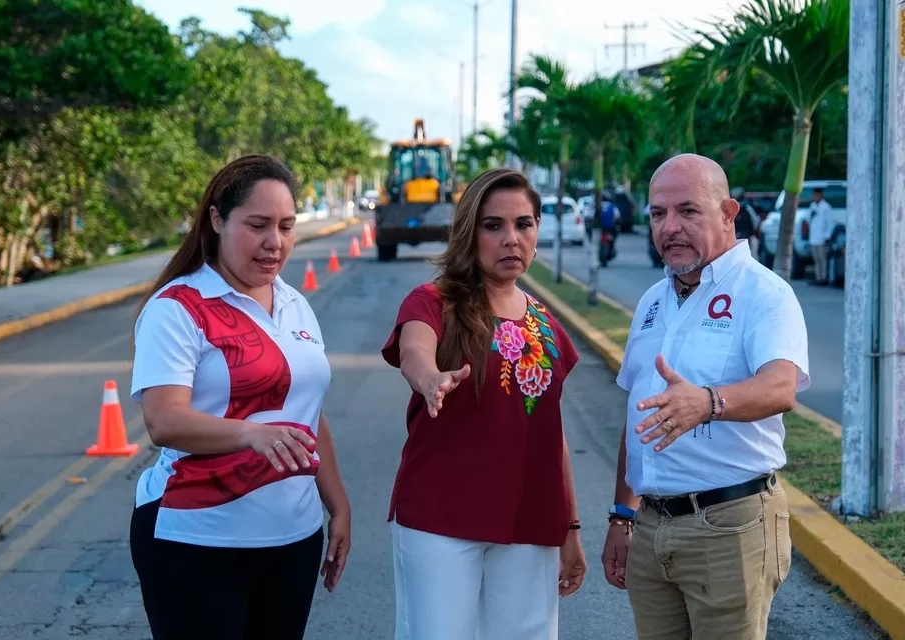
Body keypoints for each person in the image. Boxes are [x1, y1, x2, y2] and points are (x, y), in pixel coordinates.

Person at [127, 154, 351, 640]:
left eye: (286, 227)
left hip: (294, 538)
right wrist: (251, 433)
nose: (275, 242)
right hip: (196, 537)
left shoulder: (295, 303)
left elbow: (309, 414)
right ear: (217, 219)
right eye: (257, 225)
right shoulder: (178, 308)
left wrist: (338, 507)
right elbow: (163, 420)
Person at [601, 154, 809, 640]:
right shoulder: (653, 300)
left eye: (688, 211)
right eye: (658, 214)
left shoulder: (764, 293)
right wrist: (622, 515)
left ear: (728, 213)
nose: (669, 227)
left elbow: (781, 386)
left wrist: (708, 403)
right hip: (650, 527)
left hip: (730, 527)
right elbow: (638, 415)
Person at [381, 168, 587, 640]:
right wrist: (429, 377)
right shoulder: (432, 301)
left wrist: (571, 527)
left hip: (531, 521)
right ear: (469, 232)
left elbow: (550, 433)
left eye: (523, 224)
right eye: (493, 225)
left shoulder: (546, 324)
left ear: (537, 231)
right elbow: (414, 350)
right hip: (441, 518)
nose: (511, 238)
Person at [807, 187, 834, 285]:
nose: (815, 197)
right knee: (816, 259)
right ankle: (818, 277)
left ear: (821, 195)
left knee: (823, 259)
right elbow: (807, 218)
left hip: (822, 238)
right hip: (813, 237)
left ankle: (824, 278)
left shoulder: (826, 207)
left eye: (817, 195)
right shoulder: (812, 206)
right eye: (814, 195)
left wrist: (827, 236)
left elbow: (830, 223)